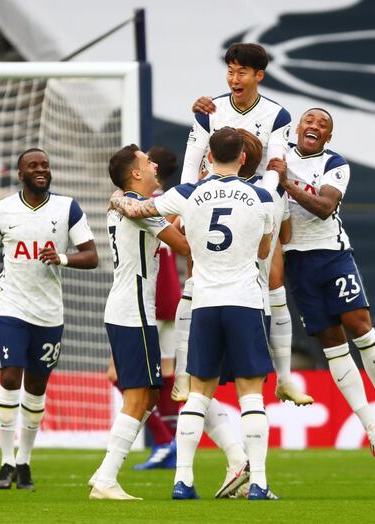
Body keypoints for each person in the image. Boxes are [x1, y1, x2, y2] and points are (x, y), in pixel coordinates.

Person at [111, 128, 279, 500]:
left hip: (204, 302)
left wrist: (118, 199)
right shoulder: (263, 196)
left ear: (207, 157)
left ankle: (183, 481)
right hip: (244, 300)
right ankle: (260, 483)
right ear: (244, 159)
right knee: (251, 394)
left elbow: (140, 208)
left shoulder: (188, 193)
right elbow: (265, 248)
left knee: (198, 394)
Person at [182, 42, 313, 406]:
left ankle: (284, 379)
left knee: (272, 281)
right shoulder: (210, 110)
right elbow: (191, 164)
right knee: (196, 277)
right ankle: (183, 372)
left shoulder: (277, 116)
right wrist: (187, 201)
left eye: (242, 72)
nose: (234, 78)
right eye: (230, 71)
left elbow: (276, 166)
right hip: (212, 199)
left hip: (258, 199)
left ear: (259, 75)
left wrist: (259, 199)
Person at [278, 108, 375, 460]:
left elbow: (324, 207)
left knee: (360, 328)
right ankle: (369, 424)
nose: (315, 127)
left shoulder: (335, 163)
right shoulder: (278, 155)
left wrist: (286, 184)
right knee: (332, 344)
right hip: (296, 262)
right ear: (297, 128)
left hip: (332, 255)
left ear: (328, 137)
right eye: (310, 121)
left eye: (323, 125)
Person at [0, 148, 98, 490]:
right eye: (33, 165)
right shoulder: (2, 210)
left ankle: (24, 461)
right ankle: (4, 462)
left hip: (49, 312)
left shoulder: (68, 208)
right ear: (21, 174)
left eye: (45, 164)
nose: (41, 169)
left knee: (36, 386)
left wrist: (61, 258)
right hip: (12, 306)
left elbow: (91, 256)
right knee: (11, 376)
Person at [88, 145, 189, 499]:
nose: (154, 163)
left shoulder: (127, 205)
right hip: (135, 312)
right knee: (137, 397)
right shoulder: (139, 210)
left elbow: (164, 227)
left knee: (149, 395)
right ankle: (106, 479)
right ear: (134, 173)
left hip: (127, 310)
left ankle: (105, 471)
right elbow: (184, 246)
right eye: (147, 161)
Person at [132, 145, 184, 471]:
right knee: (165, 373)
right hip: (163, 290)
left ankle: (167, 440)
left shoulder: (157, 202)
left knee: (124, 373)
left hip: (156, 291)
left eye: (146, 159)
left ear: (154, 168)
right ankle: (171, 442)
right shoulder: (167, 199)